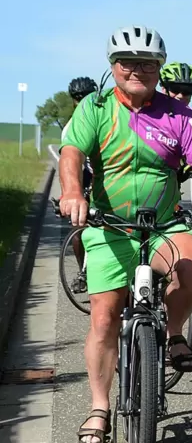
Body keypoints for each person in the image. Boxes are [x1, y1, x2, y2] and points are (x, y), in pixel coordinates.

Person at [58, 25, 192, 443]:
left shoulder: (178, 115)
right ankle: (99, 407)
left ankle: (173, 333)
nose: (137, 69)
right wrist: (71, 192)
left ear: (159, 69)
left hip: (164, 225)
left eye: (147, 63)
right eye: (128, 62)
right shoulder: (96, 106)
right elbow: (72, 154)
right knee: (104, 317)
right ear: (113, 67)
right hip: (109, 224)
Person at [63, 77, 99, 294]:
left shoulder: (104, 115)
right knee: (79, 227)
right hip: (85, 176)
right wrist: (71, 192)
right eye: (77, 98)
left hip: (104, 177)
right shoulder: (70, 127)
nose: (82, 100)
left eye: (86, 95)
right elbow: (69, 162)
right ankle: (83, 272)